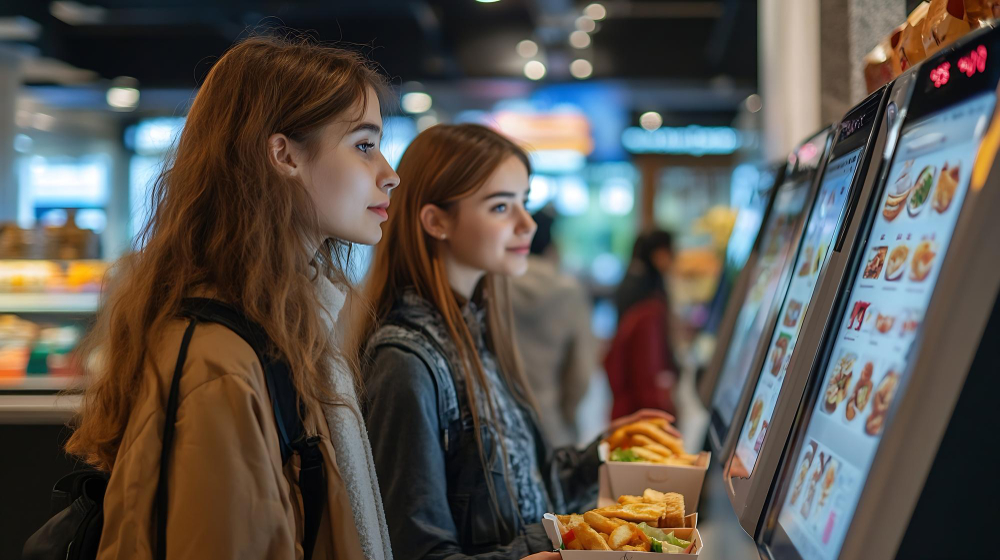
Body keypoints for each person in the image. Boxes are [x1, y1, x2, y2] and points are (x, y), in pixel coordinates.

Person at [64, 36, 401, 559]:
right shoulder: (221, 355)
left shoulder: (287, 326)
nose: (389, 173)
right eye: (363, 145)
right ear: (283, 154)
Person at [355, 123, 673, 559]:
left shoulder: (475, 330)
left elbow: (526, 489)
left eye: (524, 201)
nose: (527, 223)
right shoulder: (405, 361)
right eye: (502, 207)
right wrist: (554, 540)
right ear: (436, 221)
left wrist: (605, 453)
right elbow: (419, 552)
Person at [509, 206, 596, 447]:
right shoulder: (568, 291)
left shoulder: (496, 285)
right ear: (552, 246)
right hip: (551, 421)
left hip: (501, 419)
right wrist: (568, 415)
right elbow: (581, 372)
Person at [604, 230, 680, 418]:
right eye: (671, 252)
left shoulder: (632, 279)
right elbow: (646, 361)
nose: (674, 259)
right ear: (659, 253)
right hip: (638, 401)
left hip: (629, 391)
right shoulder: (647, 296)